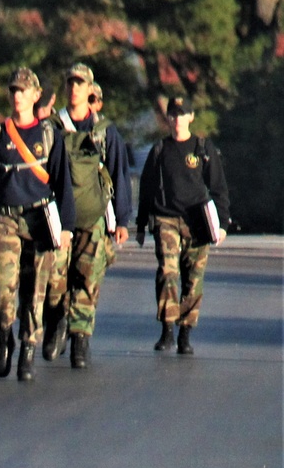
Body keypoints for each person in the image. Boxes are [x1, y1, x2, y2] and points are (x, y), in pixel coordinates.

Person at [0, 67, 75, 381]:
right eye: (13, 91)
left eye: (23, 91)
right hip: (5, 218)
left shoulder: (49, 135)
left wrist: (67, 227)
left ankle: (28, 345)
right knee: (4, 286)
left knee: (36, 291)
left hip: (40, 218)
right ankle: (5, 336)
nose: (18, 96)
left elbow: (62, 183)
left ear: (35, 95)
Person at [41, 63, 132, 369]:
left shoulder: (105, 131)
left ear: (91, 89)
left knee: (88, 278)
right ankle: (55, 323)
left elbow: (119, 173)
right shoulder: (52, 127)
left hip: (94, 216)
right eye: (70, 82)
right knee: (54, 279)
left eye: (81, 83)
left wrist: (121, 220)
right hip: (57, 216)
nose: (75, 87)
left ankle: (81, 339)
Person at [135, 96, 230, 355]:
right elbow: (146, 188)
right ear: (168, 119)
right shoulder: (160, 150)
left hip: (198, 222)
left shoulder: (202, 148)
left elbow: (219, 188)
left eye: (182, 114)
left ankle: (185, 332)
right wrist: (142, 224)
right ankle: (167, 329)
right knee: (168, 271)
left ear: (191, 117)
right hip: (166, 219)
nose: (177, 120)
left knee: (193, 278)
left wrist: (222, 224)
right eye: (173, 115)